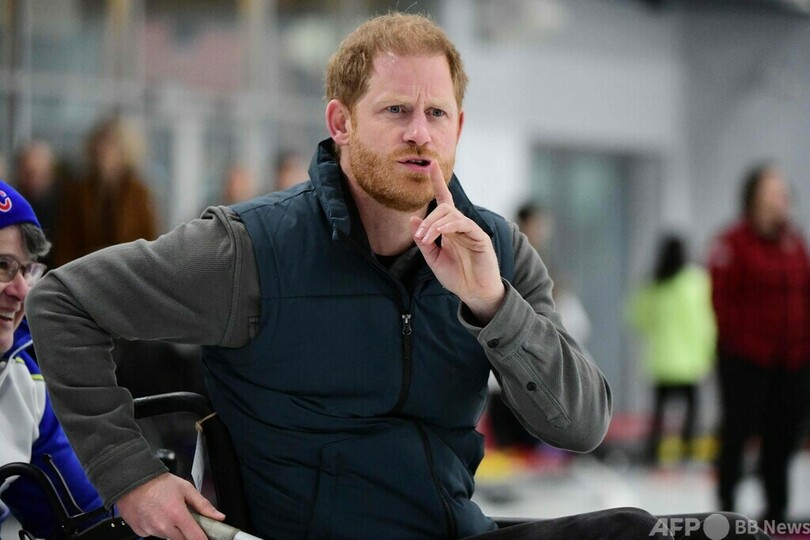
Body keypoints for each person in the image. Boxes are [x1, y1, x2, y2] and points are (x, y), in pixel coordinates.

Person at [27, 13, 767, 540]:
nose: (420, 133)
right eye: (396, 110)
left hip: (457, 528)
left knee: (662, 531)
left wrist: (493, 305)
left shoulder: (496, 251)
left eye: (437, 113)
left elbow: (581, 426)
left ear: (458, 128)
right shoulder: (251, 249)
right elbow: (61, 300)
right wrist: (130, 477)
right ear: (341, 123)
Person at [0, 181, 105, 537]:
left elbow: (86, 519)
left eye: (27, 270)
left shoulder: (22, 382)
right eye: (2, 266)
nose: (21, 291)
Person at [709, 163, 810, 523]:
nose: (781, 198)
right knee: (735, 435)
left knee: (783, 438)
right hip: (745, 359)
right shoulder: (732, 243)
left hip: (793, 360)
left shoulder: (795, 244)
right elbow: (721, 300)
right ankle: (725, 509)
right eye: (772, 190)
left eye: (783, 191)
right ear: (754, 197)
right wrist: (740, 344)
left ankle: (776, 511)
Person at [627, 234, 716, 465]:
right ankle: (688, 452)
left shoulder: (653, 283)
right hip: (690, 360)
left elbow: (637, 318)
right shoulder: (697, 282)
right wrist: (709, 354)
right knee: (692, 410)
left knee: (659, 411)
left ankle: (653, 453)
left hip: (661, 359)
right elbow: (705, 324)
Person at [53, 116, 158, 267]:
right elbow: (66, 242)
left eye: (111, 145)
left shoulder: (139, 193)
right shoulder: (78, 190)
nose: (103, 149)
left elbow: (149, 240)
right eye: (100, 143)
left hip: (127, 270)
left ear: (125, 151)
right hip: (83, 270)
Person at [14, 141, 60, 268]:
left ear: (51, 173)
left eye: (41, 173)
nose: (34, 180)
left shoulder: (65, 208)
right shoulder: (12, 206)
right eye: (28, 173)